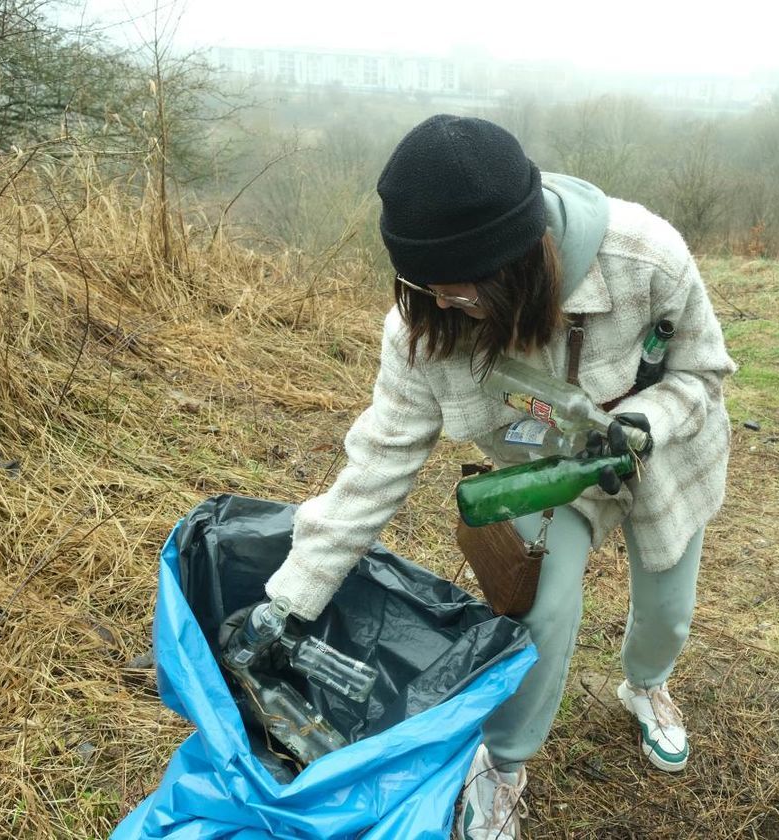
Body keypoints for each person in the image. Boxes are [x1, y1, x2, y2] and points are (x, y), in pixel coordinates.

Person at [264, 114, 736, 839]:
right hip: (545, 477)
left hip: (659, 455)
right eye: (431, 289)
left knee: (670, 607)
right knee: (540, 611)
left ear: (519, 259)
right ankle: (505, 764)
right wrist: (293, 594)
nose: (447, 306)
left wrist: (648, 420)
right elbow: (378, 461)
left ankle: (646, 686)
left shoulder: (646, 258)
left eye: (464, 291)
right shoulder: (423, 327)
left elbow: (705, 372)